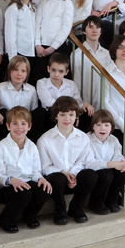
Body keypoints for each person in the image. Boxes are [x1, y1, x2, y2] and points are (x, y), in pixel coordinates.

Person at [37, 96, 98, 225]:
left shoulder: (83, 137)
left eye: (71, 114)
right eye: (63, 114)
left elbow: (83, 161)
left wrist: (73, 174)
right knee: (58, 178)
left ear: (76, 116)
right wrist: (64, 173)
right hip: (57, 182)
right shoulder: (44, 139)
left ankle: (76, 207)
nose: (67, 119)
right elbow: (45, 167)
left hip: (76, 180)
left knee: (90, 175)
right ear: (56, 116)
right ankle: (60, 209)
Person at [0, 106, 52, 233]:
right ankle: (6, 218)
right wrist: (11, 180)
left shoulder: (32, 147)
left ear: (29, 127)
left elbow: (35, 171)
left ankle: (30, 215)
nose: (19, 127)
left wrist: (41, 179)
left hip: (26, 182)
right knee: (24, 193)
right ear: (8, 126)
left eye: (23, 124)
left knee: (43, 189)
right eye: (15, 123)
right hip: (5, 187)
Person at [86, 109, 125, 215]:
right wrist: (111, 164)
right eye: (98, 125)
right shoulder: (87, 139)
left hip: (108, 170)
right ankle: (96, 203)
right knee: (107, 174)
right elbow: (89, 163)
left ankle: (111, 200)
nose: (103, 128)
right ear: (93, 127)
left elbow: (118, 156)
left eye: (107, 125)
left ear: (111, 128)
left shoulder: (113, 140)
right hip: (93, 172)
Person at [36, 53, 94, 133]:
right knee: (42, 112)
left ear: (66, 72)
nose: (56, 74)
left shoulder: (71, 84)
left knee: (86, 111)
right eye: (53, 70)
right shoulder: (41, 82)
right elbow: (48, 102)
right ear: (48, 69)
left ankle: (80, 137)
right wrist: (69, 108)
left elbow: (77, 102)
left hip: (68, 115)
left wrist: (85, 104)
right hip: (50, 116)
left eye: (61, 71)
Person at [34, 0, 74, 80]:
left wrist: (53, 47)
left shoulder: (67, 3)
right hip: (41, 48)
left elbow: (66, 27)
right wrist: (37, 44)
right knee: (40, 78)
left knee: (57, 79)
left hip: (57, 47)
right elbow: (37, 23)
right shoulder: (43, 1)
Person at [0, 55, 43, 143]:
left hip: (25, 125)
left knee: (40, 112)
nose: (19, 74)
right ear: (9, 71)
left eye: (23, 71)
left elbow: (33, 110)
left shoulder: (31, 89)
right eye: (15, 70)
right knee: (3, 112)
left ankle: (32, 141)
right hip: (8, 125)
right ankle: (4, 139)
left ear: (27, 73)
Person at [73, 16, 112, 110]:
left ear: (101, 31)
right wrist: (81, 104)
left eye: (98, 27)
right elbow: (76, 83)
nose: (94, 30)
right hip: (85, 106)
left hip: (104, 104)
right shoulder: (77, 54)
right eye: (90, 27)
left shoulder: (108, 54)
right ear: (84, 31)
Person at [4, 0, 38, 85]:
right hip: (19, 53)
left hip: (31, 53)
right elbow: (10, 35)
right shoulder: (13, 8)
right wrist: (13, 58)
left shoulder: (33, 9)